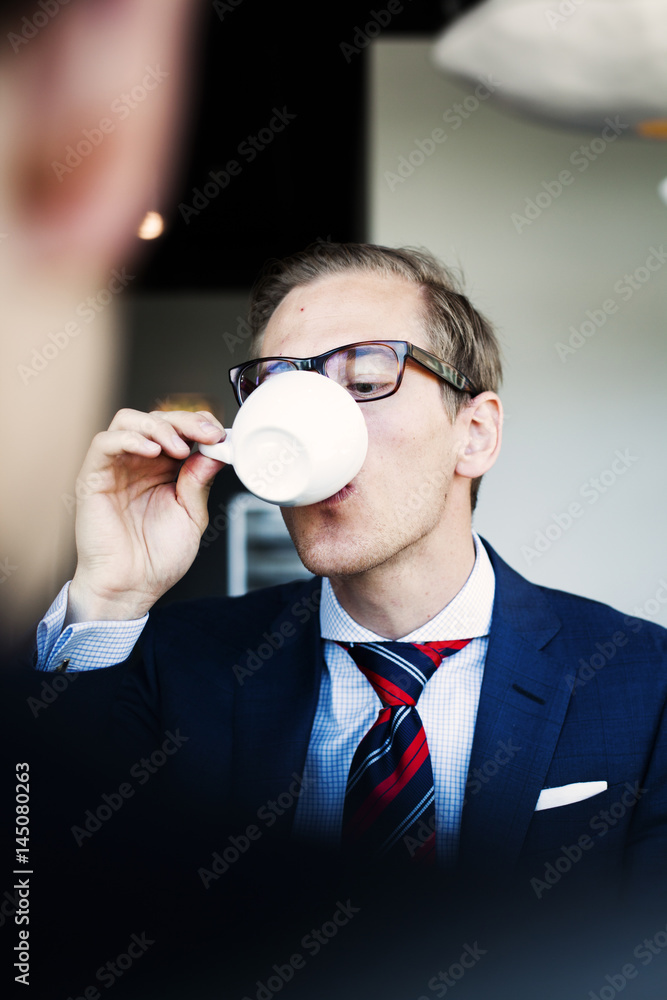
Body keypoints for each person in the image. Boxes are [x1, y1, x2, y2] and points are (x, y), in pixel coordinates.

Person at [32, 241, 667, 892]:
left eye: (364, 383)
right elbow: (43, 887)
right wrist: (111, 593)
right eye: (279, 394)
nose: (309, 428)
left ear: (474, 434)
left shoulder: (644, 683)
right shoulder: (175, 668)